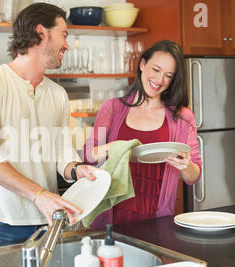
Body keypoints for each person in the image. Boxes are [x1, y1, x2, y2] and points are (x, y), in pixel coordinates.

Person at [0, 3, 98, 246]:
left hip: (47, 220)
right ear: (42, 32)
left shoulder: (58, 94)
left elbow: (62, 152)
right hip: (1, 224)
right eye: (64, 35)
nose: (67, 45)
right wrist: (39, 195)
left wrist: (76, 169)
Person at [83, 40, 202, 227]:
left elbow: (193, 176)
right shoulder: (113, 108)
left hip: (158, 219)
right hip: (111, 217)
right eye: (155, 69)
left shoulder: (182, 117)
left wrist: (186, 165)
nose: (159, 80)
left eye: (168, 75)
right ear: (142, 64)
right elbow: (88, 155)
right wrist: (111, 148)